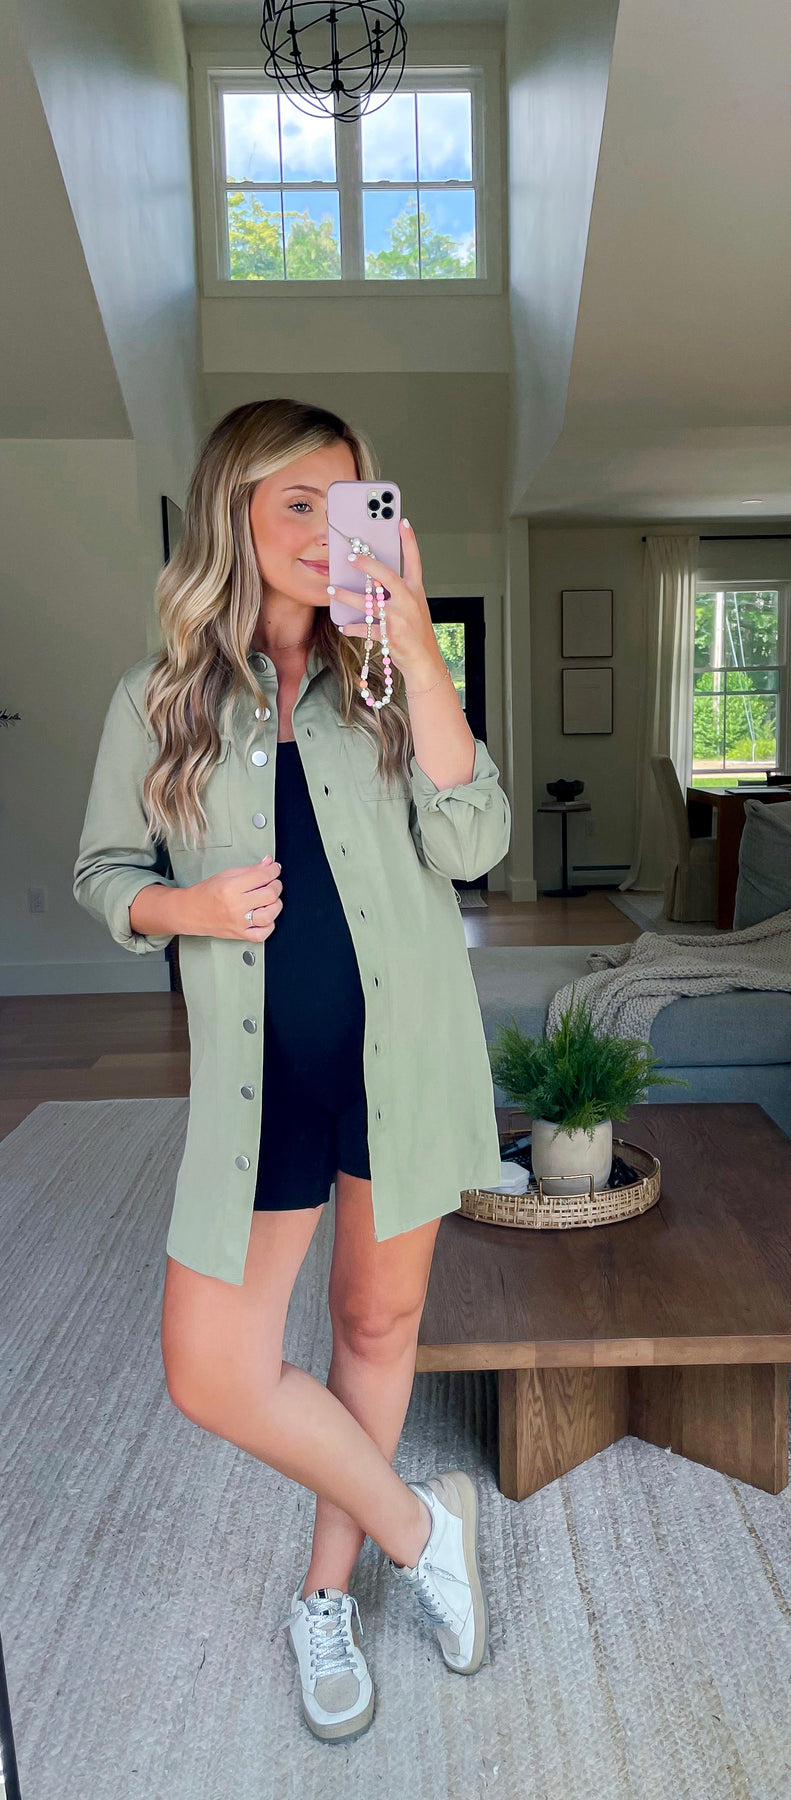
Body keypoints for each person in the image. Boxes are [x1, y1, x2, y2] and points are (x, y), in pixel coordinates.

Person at [73, 398, 512, 1746]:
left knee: (376, 1329)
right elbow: (104, 874)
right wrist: (186, 909)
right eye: (298, 506)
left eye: (352, 503)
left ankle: (327, 1595)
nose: (329, 534)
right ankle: (420, 1527)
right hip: (257, 1083)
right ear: (237, 517)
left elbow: (477, 842)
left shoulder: (384, 683)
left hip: (403, 1063)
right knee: (213, 1367)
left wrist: (419, 648)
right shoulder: (159, 698)